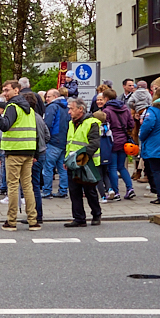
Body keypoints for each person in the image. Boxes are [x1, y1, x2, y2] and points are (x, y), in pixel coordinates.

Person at [0, 80, 40, 230]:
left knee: (12, 186)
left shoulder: (12, 107)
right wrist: (35, 152)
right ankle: (33, 220)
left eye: (7, 90)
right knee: (27, 186)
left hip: (14, 151)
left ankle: (11, 221)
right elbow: (35, 131)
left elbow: (4, 125)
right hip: (28, 150)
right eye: (3, 90)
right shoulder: (29, 109)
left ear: (16, 91)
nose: (5, 93)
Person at [63, 98, 102, 228]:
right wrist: (67, 159)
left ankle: (96, 214)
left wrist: (81, 158)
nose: (69, 112)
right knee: (74, 192)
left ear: (80, 109)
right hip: (73, 163)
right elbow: (70, 143)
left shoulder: (92, 123)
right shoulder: (71, 123)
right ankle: (79, 218)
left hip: (87, 163)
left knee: (90, 191)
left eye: (71, 109)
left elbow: (94, 144)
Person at [102, 88, 136, 201]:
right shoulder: (125, 108)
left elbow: (105, 128)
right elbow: (131, 124)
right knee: (122, 167)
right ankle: (130, 188)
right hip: (124, 141)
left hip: (112, 141)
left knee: (112, 167)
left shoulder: (106, 111)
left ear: (106, 98)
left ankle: (116, 192)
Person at [41, 89, 70, 198]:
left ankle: (47, 191)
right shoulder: (66, 107)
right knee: (62, 168)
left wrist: (45, 138)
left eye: (48, 96)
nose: (46, 99)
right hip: (64, 141)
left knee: (48, 167)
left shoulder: (52, 107)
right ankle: (63, 190)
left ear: (55, 96)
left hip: (53, 141)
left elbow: (47, 124)